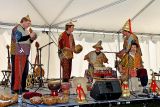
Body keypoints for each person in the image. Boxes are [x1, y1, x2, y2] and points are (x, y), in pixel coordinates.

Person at [11, 15, 37, 94]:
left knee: (25, 71)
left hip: (25, 53)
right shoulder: (16, 28)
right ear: (23, 21)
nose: (29, 25)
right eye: (28, 23)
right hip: (17, 52)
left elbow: (27, 41)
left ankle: (22, 87)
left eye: (30, 23)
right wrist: (30, 35)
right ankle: (15, 88)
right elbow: (19, 39)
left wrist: (32, 39)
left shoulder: (26, 30)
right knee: (17, 71)